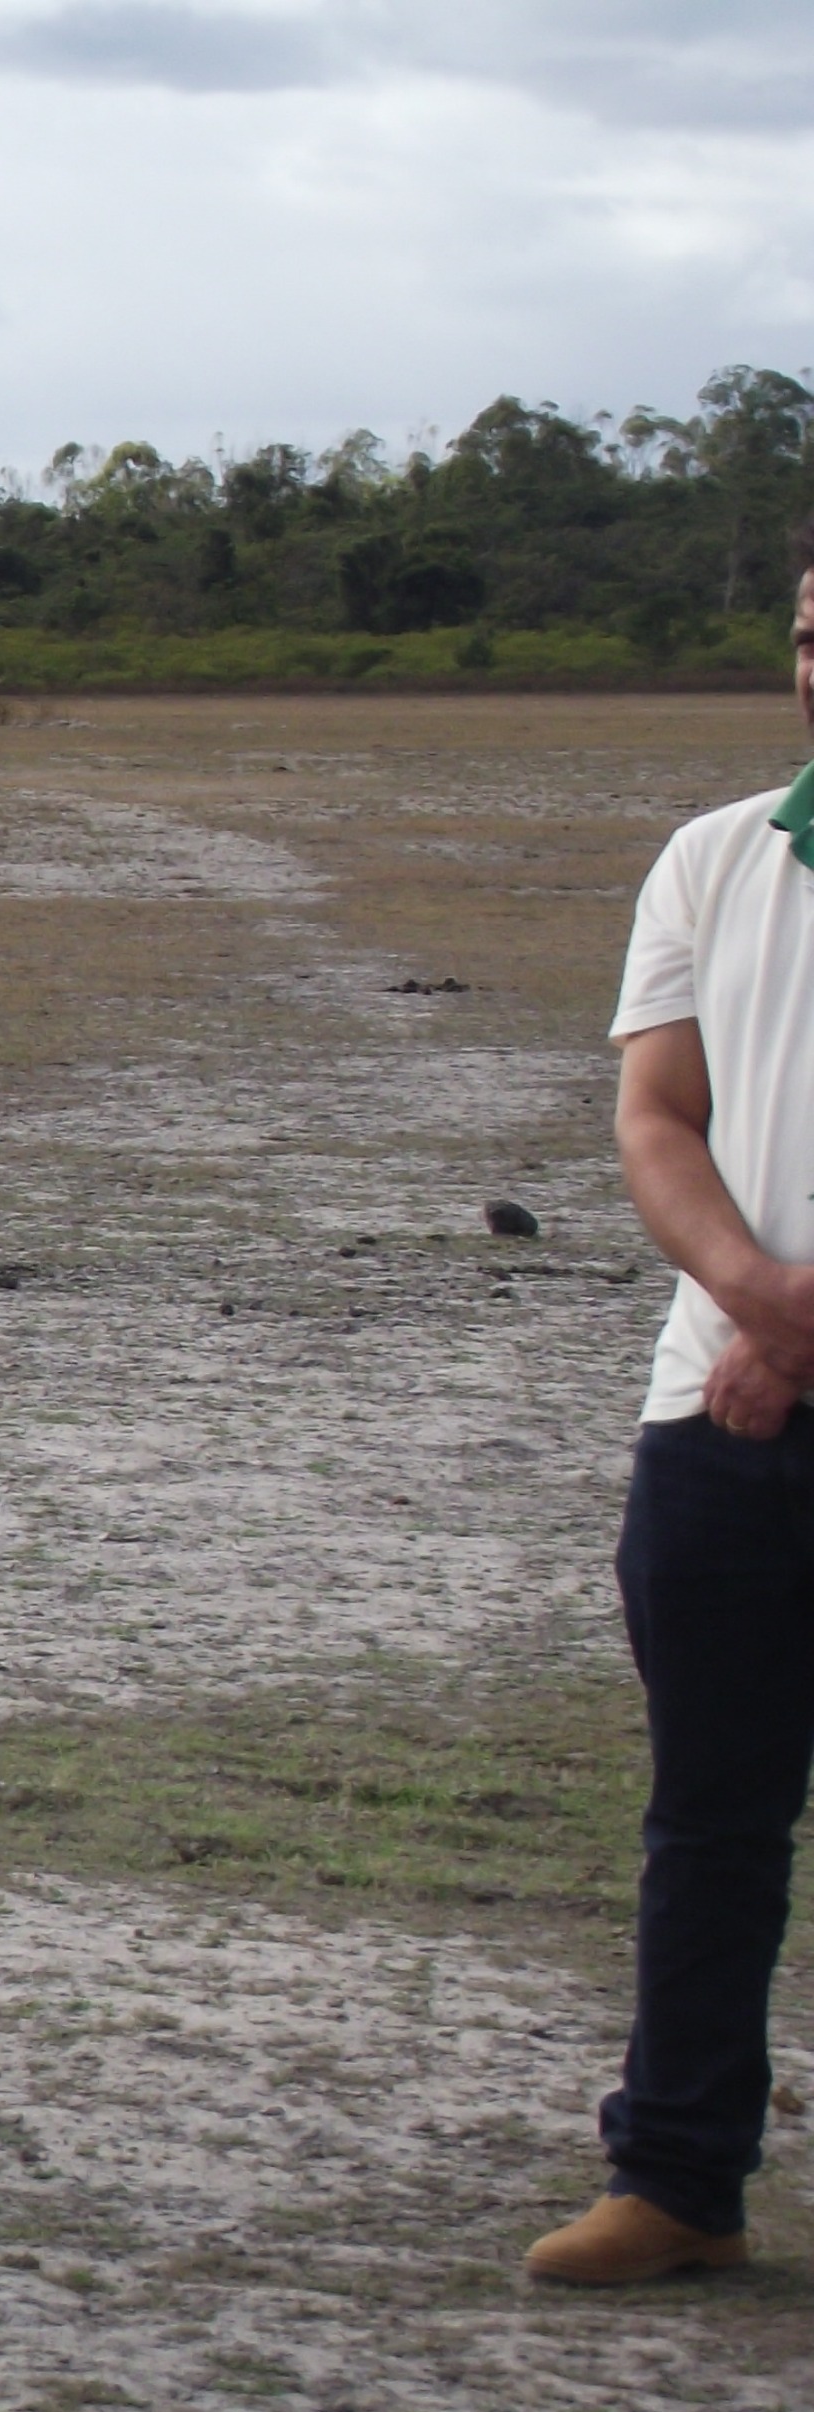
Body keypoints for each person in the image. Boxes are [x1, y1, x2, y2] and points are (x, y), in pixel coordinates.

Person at [528, 522, 814, 2282]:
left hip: (757, 1377)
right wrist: (763, 1301)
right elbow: (658, 1120)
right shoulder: (717, 861)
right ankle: (679, 2177)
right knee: (710, 1818)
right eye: (810, 631)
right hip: (717, 1415)